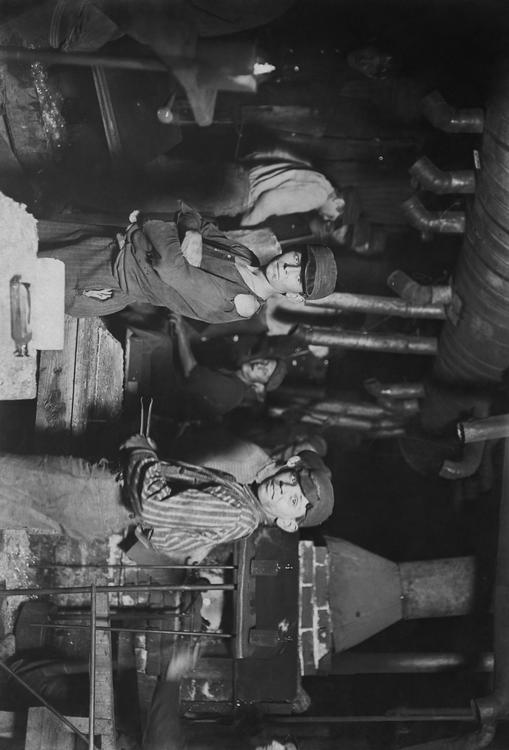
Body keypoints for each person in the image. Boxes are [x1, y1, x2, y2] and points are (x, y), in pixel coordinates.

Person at [0, 436, 334, 561]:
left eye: (294, 501)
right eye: (292, 481)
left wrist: (143, 453)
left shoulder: (240, 515)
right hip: (102, 505)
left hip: (99, 496)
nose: (285, 489)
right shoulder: (243, 502)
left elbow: (154, 506)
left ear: (287, 523)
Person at [38, 203, 338, 321]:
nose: (287, 267)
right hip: (108, 240)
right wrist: (192, 230)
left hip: (103, 275)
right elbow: (199, 219)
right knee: (16, 232)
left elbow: (170, 268)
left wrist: (151, 222)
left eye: (298, 277)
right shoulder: (248, 258)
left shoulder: (240, 301)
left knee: (13, 274)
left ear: (294, 296)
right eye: (297, 258)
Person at [143, 641, 298, 750]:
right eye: (284, 747)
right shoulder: (249, 741)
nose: (278, 746)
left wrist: (173, 676)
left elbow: (161, 746)